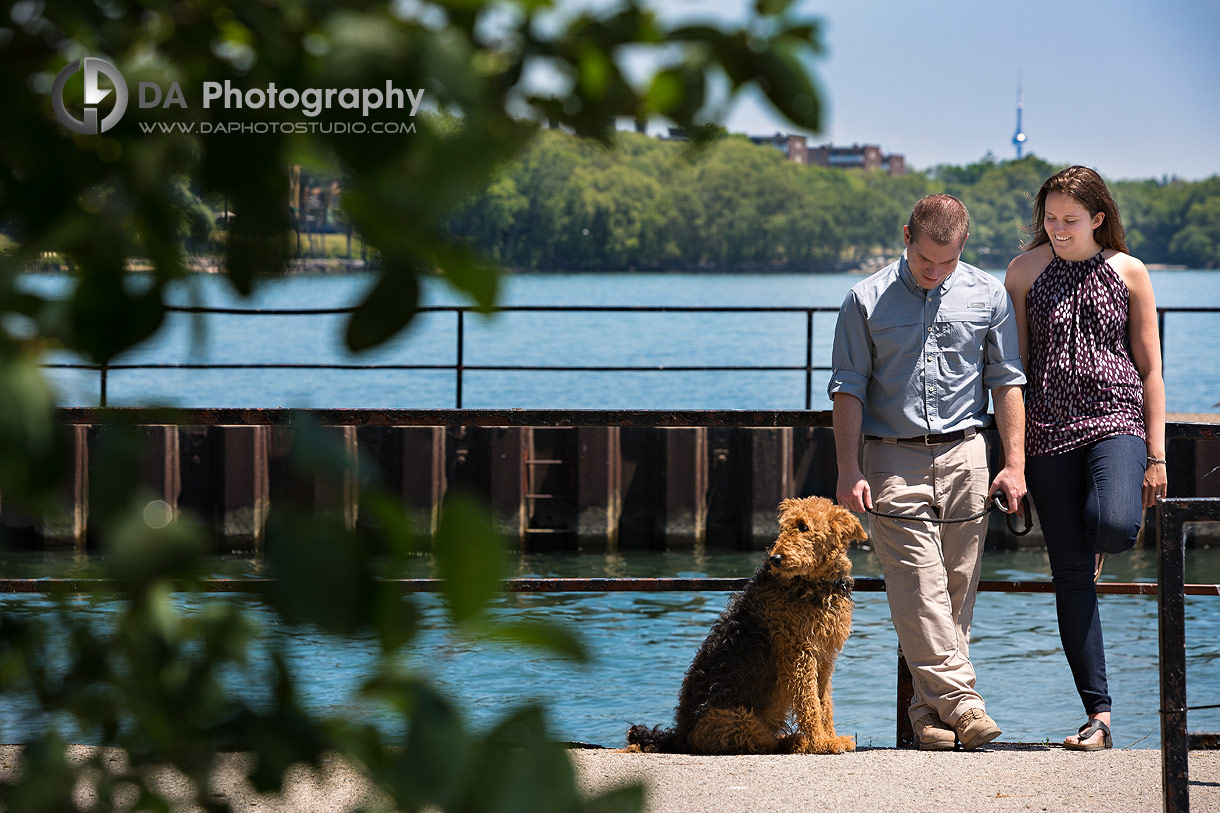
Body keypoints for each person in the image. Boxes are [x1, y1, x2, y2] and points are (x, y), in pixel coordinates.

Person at [829, 194, 1027, 751]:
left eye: (946, 262)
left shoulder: (988, 294)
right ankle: (965, 703)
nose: (933, 272)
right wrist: (848, 468)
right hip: (891, 456)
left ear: (964, 246)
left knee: (956, 592)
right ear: (907, 236)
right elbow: (847, 388)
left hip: (968, 452)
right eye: (923, 261)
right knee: (919, 584)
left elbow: (1007, 381)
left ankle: (927, 716)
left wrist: (1014, 463)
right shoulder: (863, 300)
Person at [1004, 166, 1167, 751]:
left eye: (1069, 220)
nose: (1057, 229)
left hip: (1114, 420)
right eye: (1049, 219)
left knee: (1117, 525)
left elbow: (1150, 368)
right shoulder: (1023, 272)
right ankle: (1098, 715)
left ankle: (1098, 544)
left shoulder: (1130, 273)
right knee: (1069, 577)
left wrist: (1157, 455)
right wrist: (1014, 456)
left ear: (1098, 219)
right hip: (1048, 430)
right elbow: (1012, 372)